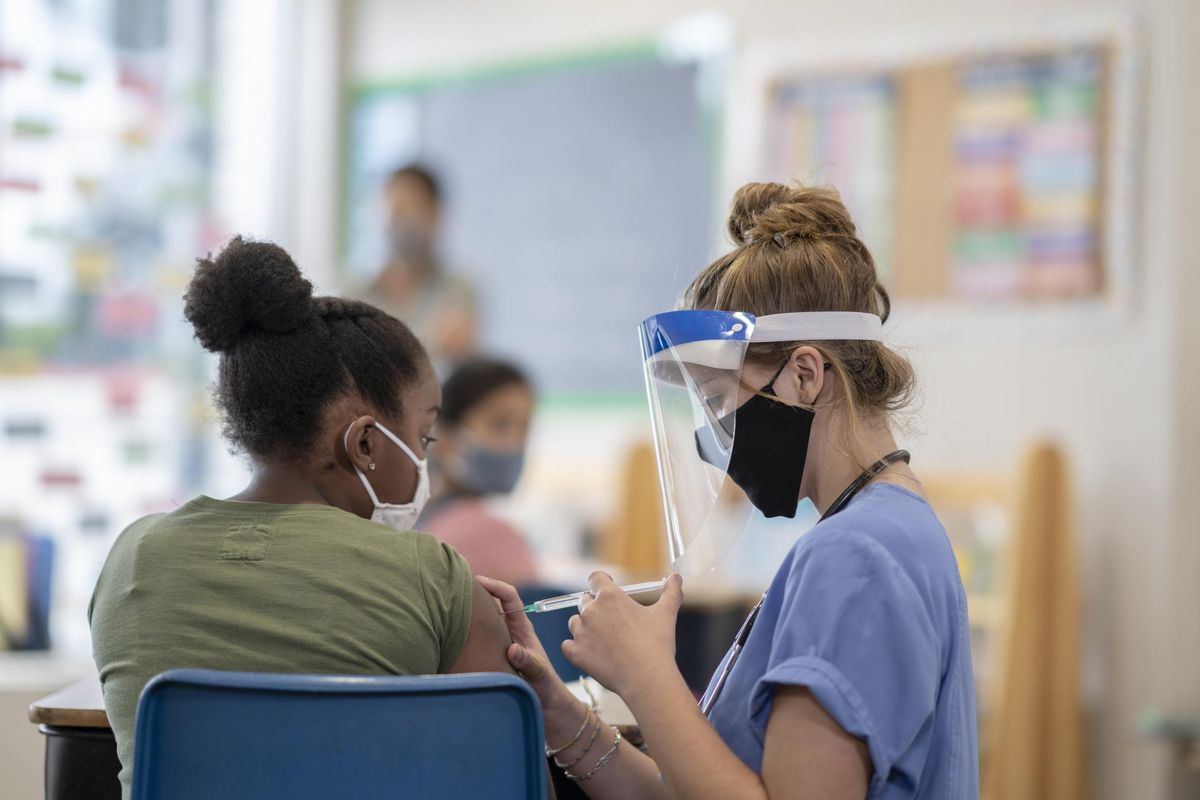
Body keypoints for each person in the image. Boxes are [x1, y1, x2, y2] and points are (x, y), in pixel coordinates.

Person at [480, 183, 979, 799]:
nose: (711, 437)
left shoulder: (855, 556)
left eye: (719, 402)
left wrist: (646, 677)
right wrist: (558, 712)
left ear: (803, 375)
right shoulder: (888, 529)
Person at [88, 237, 520, 799]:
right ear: (365, 444)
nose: (424, 458)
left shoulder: (131, 560)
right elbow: (507, 783)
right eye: (423, 436)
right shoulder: (434, 577)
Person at [421, 357, 538, 586]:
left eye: (524, 427)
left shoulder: (418, 518)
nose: (515, 443)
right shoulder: (488, 533)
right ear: (445, 437)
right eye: (500, 424)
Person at [361, 163, 477, 363]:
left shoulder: (459, 292)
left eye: (413, 208)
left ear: (435, 215)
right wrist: (433, 345)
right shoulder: (357, 293)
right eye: (396, 210)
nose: (403, 222)